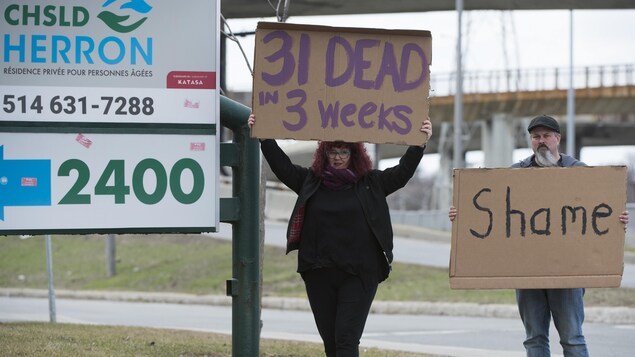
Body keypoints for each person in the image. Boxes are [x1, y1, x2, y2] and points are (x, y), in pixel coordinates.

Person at [249, 113, 432, 357]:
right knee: (332, 345)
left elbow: (402, 172)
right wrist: (265, 137)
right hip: (319, 273)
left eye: (343, 152)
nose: (337, 158)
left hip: (359, 274)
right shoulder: (310, 181)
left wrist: (419, 144)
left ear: (354, 155)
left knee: (346, 340)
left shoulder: (372, 183)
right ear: (323, 154)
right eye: (332, 152)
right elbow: (282, 167)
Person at [448, 114, 629, 357]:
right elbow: (495, 213)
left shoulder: (581, 174)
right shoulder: (515, 175)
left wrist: (618, 220)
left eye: (546, 136)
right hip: (528, 273)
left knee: (572, 338)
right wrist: (463, 215)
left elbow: (600, 215)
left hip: (568, 272)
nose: (541, 141)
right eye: (536, 137)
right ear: (531, 141)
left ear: (557, 139)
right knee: (534, 339)